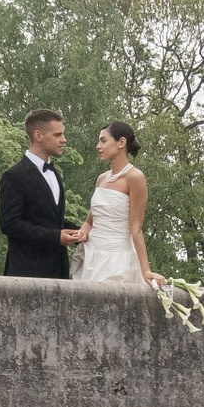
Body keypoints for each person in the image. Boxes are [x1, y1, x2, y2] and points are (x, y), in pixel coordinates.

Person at [72, 121, 155, 291]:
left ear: (121, 142)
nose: (98, 146)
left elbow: (136, 228)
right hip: (92, 257)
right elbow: (90, 221)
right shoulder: (102, 179)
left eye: (103, 141)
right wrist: (81, 233)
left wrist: (145, 270)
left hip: (117, 260)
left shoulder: (135, 177)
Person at [0, 109, 71, 278]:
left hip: (59, 272)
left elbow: (49, 219)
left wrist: (80, 231)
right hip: (26, 273)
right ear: (38, 135)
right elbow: (9, 224)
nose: (63, 140)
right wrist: (56, 237)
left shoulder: (55, 174)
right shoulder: (14, 176)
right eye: (58, 135)